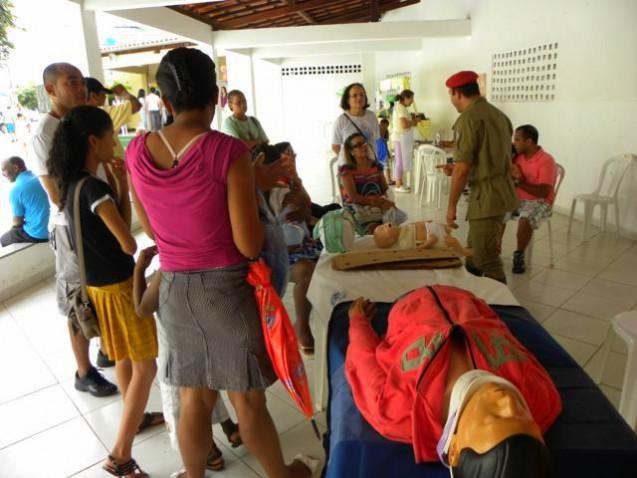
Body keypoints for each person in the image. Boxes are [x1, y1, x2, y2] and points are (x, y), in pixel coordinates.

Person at [126, 47, 316, 478]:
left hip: (174, 289)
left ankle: (192, 476)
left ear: (165, 101)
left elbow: (154, 230)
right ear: (215, 95)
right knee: (247, 400)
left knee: (194, 396)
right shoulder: (227, 152)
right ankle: (281, 475)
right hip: (227, 292)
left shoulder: (137, 152)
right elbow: (249, 245)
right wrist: (252, 189)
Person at [47, 105, 159, 477]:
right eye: (111, 134)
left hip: (97, 289)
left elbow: (109, 232)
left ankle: (134, 417)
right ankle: (120, 455)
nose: (116, 140)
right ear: (93, 141)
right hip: (119, 287)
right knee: (145, 366)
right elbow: (127, 243)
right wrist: (144, 260)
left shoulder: (74, 185)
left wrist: (122, 185)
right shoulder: (94, 187)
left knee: (125, 359)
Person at [346, 285, 561, 475]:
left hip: (406, 305)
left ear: (455, 449)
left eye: (494, 418)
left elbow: (362, 356)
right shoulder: (541, 398)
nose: (507, 401)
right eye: (521, 413)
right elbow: (506, 334)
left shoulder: (399, 412)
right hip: (464, 297)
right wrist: (477, 305)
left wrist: (357, 320)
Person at [28, 62, 118, 397]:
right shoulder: (44, 133)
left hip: (97, 220)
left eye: (81, 81)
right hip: (73, 228)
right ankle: (84, 372)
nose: (80, 88)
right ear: (51, 89)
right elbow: (55, 192)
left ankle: (106, 348)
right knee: (77, 299)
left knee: (100, 288)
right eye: (71, 82)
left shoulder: (78, 123)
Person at [132, 246, 243, 473]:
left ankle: (207, 454)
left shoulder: (167, 273)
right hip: (213, 340)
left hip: (179, 352)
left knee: (183, 405)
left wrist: (139, 269)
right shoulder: (210, 259)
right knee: (211, 387)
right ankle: (229, 427)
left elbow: (142, 308)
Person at [444, 71, 518, 284]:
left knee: (486, 259)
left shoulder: (468, 119)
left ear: (457, 93)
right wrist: (458, 168)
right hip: (501, 191)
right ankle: (474, 299)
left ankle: (504, 311)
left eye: (450, 95)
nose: (452, 101)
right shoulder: (499, 115)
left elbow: (463, 169)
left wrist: (451, 207)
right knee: (473, 256)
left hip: (487, 197)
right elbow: (490, 156)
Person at [507, 125, 558, 274]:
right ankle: (494, 249)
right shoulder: (518, 156)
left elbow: (543, 191)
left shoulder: (546, 160)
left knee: (526, 217)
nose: (514, 143)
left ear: (529, 142)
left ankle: (519, 255)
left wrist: (518, 183)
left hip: (540, 201)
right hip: (519, 198)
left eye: (517, 139)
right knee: (498, 211)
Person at [339, 132, 405, 235]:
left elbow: (384, 189)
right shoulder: (347, 171)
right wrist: (377, 202)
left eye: (364, 143)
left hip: (377, 206)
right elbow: (354, 198)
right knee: (378, 231)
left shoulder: (375, 166)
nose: (364, 146)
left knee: (393, 228)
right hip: (358, 209)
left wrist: (385, 202)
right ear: (351, 151)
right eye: (358, 145)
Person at [1, 156, 49, 247]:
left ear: (15, 168)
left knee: (4, 239)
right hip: (54, 229)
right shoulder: (39, 177)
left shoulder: (16, 189)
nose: (2, 174)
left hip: (39, 235)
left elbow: (17, 222)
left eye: (3, 170)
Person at [331, 83, 380, 163]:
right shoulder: (341, 121)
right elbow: (335, 146)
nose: (359, 97)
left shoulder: (372, 116)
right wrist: (350, 161)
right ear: (347, 100)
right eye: (354, 95)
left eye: (362, 94)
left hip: (370, 165)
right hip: (351, 169)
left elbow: (376, 139)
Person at [391, 89, 418, 193]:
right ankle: (398, 185)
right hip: (399, 138)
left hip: (402, 138)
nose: (412, 102)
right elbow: (404, 125)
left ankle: (400, 183)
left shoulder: (402, 108)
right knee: (400, 162)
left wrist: (414, 121)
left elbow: (408, 124)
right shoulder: (400, 108)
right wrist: (413, 121)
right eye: (411, 99)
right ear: (406, 98)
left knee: (401, 161)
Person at [376, 118, 393, 184]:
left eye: (387, 126)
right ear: (381, 123)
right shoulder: (376, 128)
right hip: (378, 149)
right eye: (385, 125)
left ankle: (388, 180)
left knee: (385, 166)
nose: (385, 127)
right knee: (382, 166)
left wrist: (387, 151)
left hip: (382, 149)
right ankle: (386, 180)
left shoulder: (386, 131)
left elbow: (385, 142)